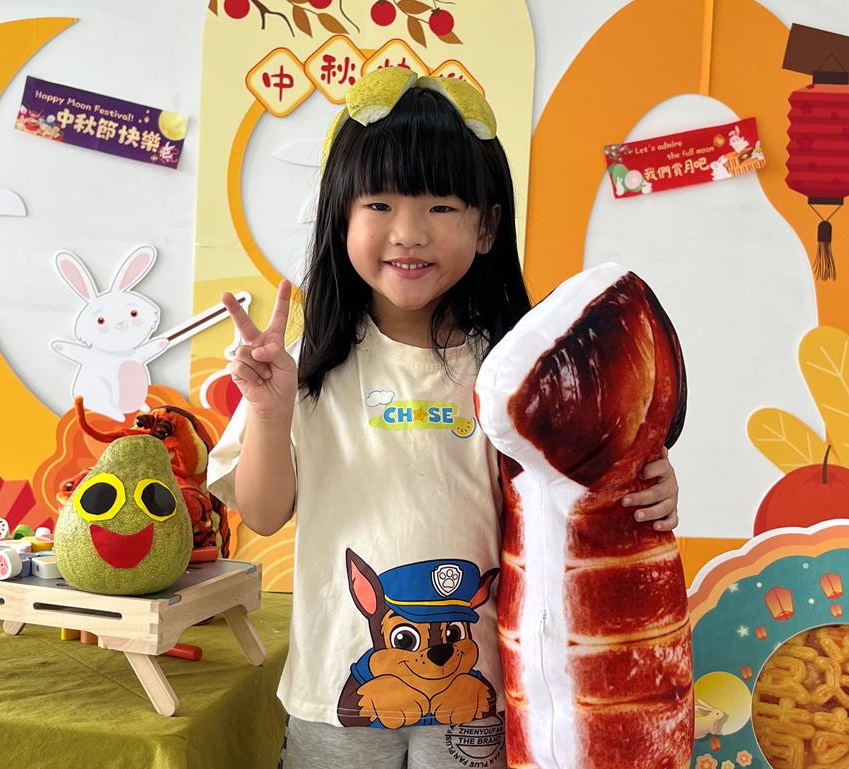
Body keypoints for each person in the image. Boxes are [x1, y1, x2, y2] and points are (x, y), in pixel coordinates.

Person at [207, 67, 680, 769]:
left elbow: (577, 496)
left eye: (440, 206)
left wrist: (650, 486)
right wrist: (270, 412)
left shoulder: (521, 376)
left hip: (482, 692)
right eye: (379, 203)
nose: (408, 233)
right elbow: (263, 511)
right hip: (338, 689)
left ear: (486, 226)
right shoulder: (306, 366)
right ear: (340, 217)